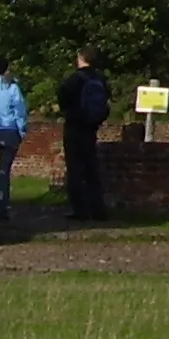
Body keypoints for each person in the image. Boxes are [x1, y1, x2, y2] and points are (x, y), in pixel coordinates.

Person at [56, 45, 112, 221]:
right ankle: (98, 210)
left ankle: (79, 211)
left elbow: (63, 98)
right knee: (92, 170)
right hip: (91, 127)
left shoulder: (74, 79)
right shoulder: (101, 79)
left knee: (75, 170)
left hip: (74, 126)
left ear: (80, 58)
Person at [0, 54, 29, 221]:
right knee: (4, 172)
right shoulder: (11, 87)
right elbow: (20, 111)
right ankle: (1, 209)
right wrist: (21, 130)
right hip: (9, 132)